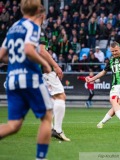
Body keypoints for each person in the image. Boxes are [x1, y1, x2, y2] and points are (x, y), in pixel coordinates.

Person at [0, 1, 53, 160]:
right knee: (47, 116)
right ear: (38, 10)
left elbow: (1, 56)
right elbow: (29, 49)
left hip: (12, 80)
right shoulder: (33, 26)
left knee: (13, 125)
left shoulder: (13, 27)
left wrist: (17, 61)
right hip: (30, 79)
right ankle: (40, 158)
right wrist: (45, 64)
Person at [35, 6, 70, 142]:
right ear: (42, 16)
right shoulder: (38, 30)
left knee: (50, 99)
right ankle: (57, 130)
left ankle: (49, 127)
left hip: (31, 70)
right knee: (60, 96)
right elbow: (42, 51)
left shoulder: (23, 29)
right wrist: (56, 66)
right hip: (44, 69)